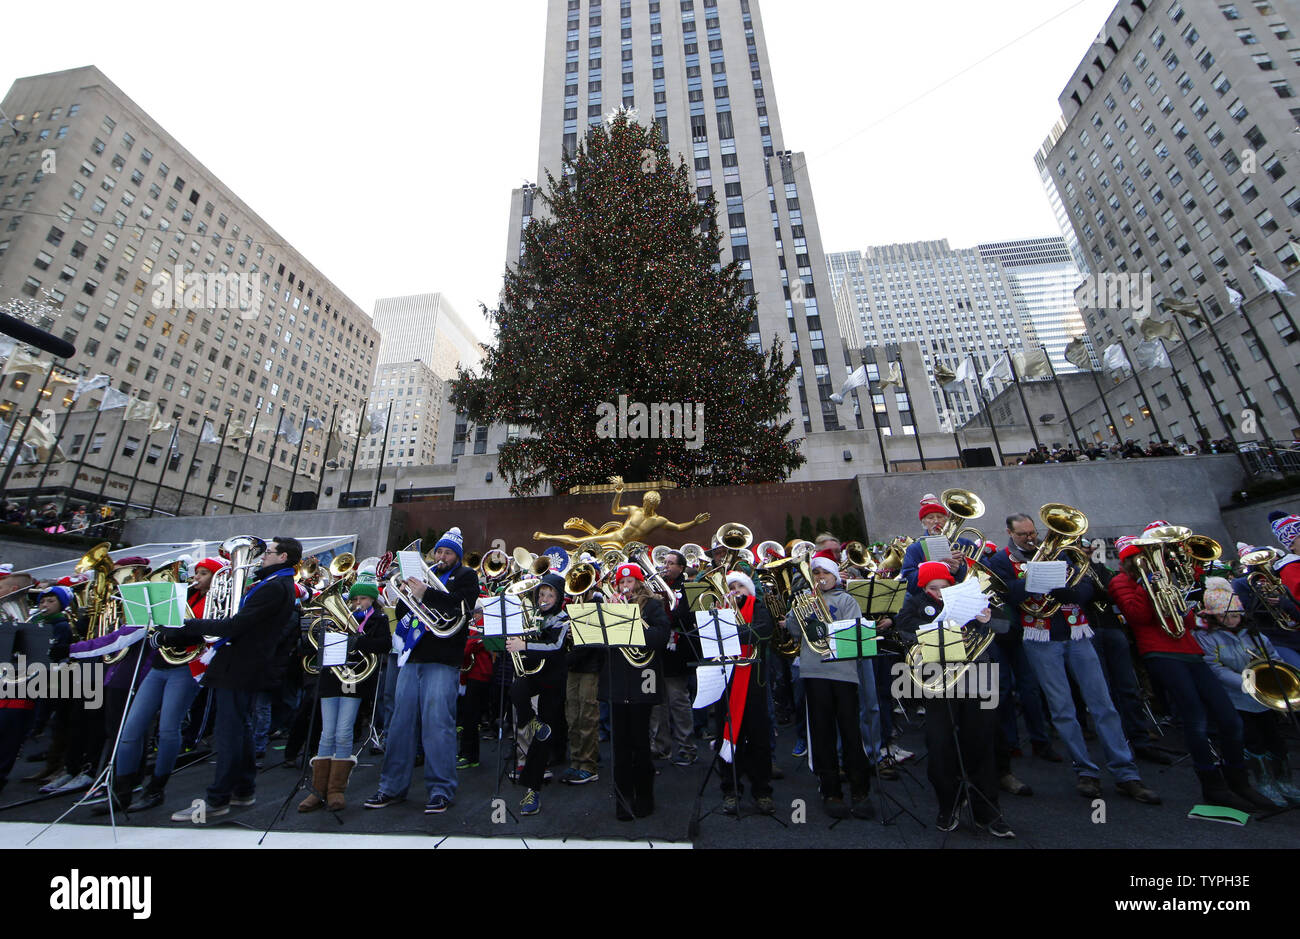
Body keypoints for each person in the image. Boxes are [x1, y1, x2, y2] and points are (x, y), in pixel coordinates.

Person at [985, 515, 1160, 804]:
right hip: (1040, 637)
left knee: (1103, 705)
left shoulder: (1064, 552)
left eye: (1032, 532)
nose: (1030, 538)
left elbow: (1087, 584)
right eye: (1022, 534)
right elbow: (1005, 593)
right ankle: (1085, 771)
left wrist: (1071, 591)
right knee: (1063, 710)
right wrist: (1035, 579)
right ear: (1009, 533)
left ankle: (1126, 773)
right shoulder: (1002, 560)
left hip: (1077, 632)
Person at [161, 537, 301, 821]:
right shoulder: (275, 584)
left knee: (230, 733)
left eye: (268, 553)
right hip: (242, 664)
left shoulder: (275, 587)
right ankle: (242, 789)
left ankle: (217, 799)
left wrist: (186, 627)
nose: (262, 557)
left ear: (283, 557)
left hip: (240, 665)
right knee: (241, 729)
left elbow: (235, 625)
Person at [85, 557, 225, 815]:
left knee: (169, 728)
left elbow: (207, 631)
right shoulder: (184, 595)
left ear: (215, 577)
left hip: (186, 667)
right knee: (131, 730)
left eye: (205, 573)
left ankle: (156, 789)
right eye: (198, 572)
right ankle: (122, 792)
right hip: (160, 665)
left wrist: (173, 632)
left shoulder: (216, 601)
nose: (198, 577)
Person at [365, 527, 479, 815]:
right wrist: (407, 595)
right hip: (412, 656)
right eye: (439, 551)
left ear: (457, 556)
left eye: (448, 553)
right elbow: (404, 615)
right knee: (399, 725)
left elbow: (461, 607)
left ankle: (441, 790)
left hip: (443, 658)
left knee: (438, 725)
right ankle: (391, 787)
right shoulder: (423, 574)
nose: (441, 557)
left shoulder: (466, 576)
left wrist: (426, 593)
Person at [894, 561, 1012, 837]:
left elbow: (1006, 625)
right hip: (937, 680)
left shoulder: (970, 599)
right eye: (932, 588)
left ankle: (988, 811)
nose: (938, 592)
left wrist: (987, 619)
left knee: (982, 742)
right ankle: (949, 804)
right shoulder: (912, 605)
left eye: (944, 587)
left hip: (976, 676)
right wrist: (938, 629)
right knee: (940, 744)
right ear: (924, 588)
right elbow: (903, 631)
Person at [1192, 576, 1300, 808]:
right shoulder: (1207, 638)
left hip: (1262, 699)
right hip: (1236, 698)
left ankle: (1284, 781)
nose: (1232, 619)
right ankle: (1263, 783)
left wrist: (1277, 677)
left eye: (1235, 614)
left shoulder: (1255, 635)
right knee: (1253, 741)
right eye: (1225, 615)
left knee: (1275, 740)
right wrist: (1247, 682)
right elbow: (1215, 668)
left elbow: (1273, 659)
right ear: (1213, 616)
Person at [785, 554, 873, 820]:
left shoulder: (846, 600)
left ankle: (860, 790)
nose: (820, 577)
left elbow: (852, 632)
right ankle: (831, 790)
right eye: (815, 573)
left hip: (844, 673)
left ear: (835, 576)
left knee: (850, 732)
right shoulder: (804, 601)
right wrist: (798, 611)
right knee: (822, 732)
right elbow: (793, 630)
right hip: (814, 671)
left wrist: (825, 623)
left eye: (825, 573)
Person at [299, 579, 391, 813]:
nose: (357, 603)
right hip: (332, 679)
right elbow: (312, 647)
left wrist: (359, 640)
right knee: (326, 732)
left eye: (362, 599)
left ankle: (336, 789)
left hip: (355, 680)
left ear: (372, 600)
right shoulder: (336, 621)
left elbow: (384, 645)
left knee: (343, 731)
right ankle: (318, 789)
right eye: (354, 599)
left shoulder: (378, 620)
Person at [602, 562, 670, 820]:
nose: (625, 587)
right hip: (618, 680)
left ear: (639, 584)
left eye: (630, 582)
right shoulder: (611, 607)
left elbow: (660, 637)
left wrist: (634, 619)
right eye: (621, 583)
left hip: (643, 679)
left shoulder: (653, 606)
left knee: (640, 743)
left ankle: (645, 796)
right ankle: (622, 799)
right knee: (620, 746)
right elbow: (601, 644)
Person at [506, 572, 569, 816]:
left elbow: (555, 647)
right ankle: (531, 723)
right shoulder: (532, 616)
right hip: (534, 676)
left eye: (549, 595)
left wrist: (525, 645)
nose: (544, 599)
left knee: (545, 737)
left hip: (553, 680)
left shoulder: (563, 619)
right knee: (516, 690)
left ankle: (533, 790)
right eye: (541, 594)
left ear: (558, 597)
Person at [713, 570, 775, 815]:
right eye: (732, 586)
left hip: (754, 683)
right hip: (726, 682)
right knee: (726, 735)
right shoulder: (719, 610)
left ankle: (762, 791)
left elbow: (764, 631)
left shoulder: (758, 607)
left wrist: (733, 633)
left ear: (749, 590)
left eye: (740, 586)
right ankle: (730, 789)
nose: (735, 590)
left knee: (758, 737)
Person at [0, 586, 69, 794]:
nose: (44, 605)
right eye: (42, 601)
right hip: (13, 678)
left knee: (12, 730)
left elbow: (53, 655)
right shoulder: (34, 624)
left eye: (50, 601)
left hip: (34, 682)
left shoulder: (61, 626)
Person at [650, 551, 698, 768]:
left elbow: (689, 616)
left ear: (681, 567)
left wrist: (666, 613)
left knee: (678, 700)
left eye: (671, 563)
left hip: (678, 651)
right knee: (657, 702)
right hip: (658, 650)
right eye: (665, 562)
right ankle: (660, 746)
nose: (666, 566)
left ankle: (687, 748)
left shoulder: (688, 587)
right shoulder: (654, 586)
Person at [900, 497, 971, 595]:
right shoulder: (914, 549)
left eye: (940, 517)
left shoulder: (966, 544)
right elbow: (909, 583)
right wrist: (933, 565)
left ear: (946, 520)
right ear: (923, 522)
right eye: (930, 518)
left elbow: (982, 571)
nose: (936, 521)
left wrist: (959, 570)